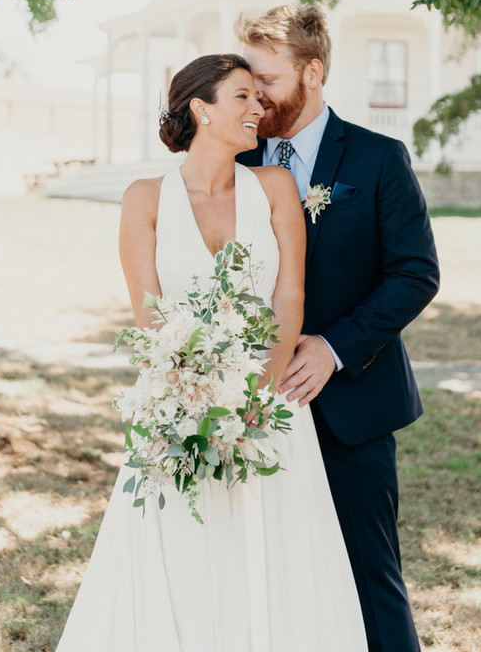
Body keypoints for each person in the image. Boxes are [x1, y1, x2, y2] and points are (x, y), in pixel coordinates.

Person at [56, 53, 368, 652]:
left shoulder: (274, 187)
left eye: (259, 96)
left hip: (270, 406)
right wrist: (194, 394)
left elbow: (289, 294)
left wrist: (257, 394)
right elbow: (148, 316)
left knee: (276, 551)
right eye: (243, 98)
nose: (259, 108)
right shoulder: (143, 198)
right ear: (200, 109)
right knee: (182, 549)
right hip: (179, 403)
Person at [235, 6, 440, 652]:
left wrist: (335, 347)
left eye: (266, 78)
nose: (255, 94)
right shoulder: (238, 163)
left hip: (353, 409)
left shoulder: (379, 159)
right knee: (272, 581)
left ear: (312, 72)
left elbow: (416, 274)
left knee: (369, 580)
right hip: (258, 410)